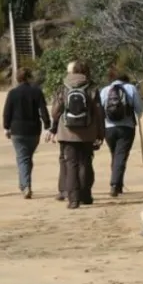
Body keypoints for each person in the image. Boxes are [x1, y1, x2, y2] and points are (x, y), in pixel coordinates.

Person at [45, 60, 104, 209]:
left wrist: (54, 126)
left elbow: (55, 112)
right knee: (85, 163)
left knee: (71, 165)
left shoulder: (63, 87)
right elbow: (99, 113)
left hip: (67, 132)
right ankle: (85, 195)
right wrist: (100, 133)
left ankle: (73, 199)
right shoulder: (92, 87)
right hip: (88, 132)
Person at [2, 67, 50, 199]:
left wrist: (6, 127)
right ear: (29, 77)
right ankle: (24, 184)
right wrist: (47, 126)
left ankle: (25, 185)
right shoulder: (37, 92)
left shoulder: (13, 93)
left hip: (17, 130)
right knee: (27, 158)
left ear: (17, 79)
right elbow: (43, 110)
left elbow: (7, 112)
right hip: (33, 130)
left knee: (23, 158)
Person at [100, 69, 143, 197]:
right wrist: (138, 116)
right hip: (126, 127)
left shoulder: (105, 90)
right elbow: (140, 108)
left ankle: (118, 185)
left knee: (114, 155)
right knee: (121, 155)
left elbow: (100, 109)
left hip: (108, 128)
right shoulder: (131, 88)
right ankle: (115, 184)